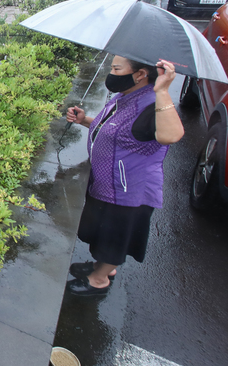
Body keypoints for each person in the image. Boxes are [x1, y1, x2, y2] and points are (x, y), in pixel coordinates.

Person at [64, 55, 184, 296]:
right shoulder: (128, 96)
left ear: (141, 74)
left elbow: (171, 135)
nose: (112, 73)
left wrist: (163, 91)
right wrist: (85, 120)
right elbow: (118, 132)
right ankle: (102, 267)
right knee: (103, 231)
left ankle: (98, 280)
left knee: (114, 235)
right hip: (109, 183)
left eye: (117, 68)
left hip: (129, 190)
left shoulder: (152, 104)